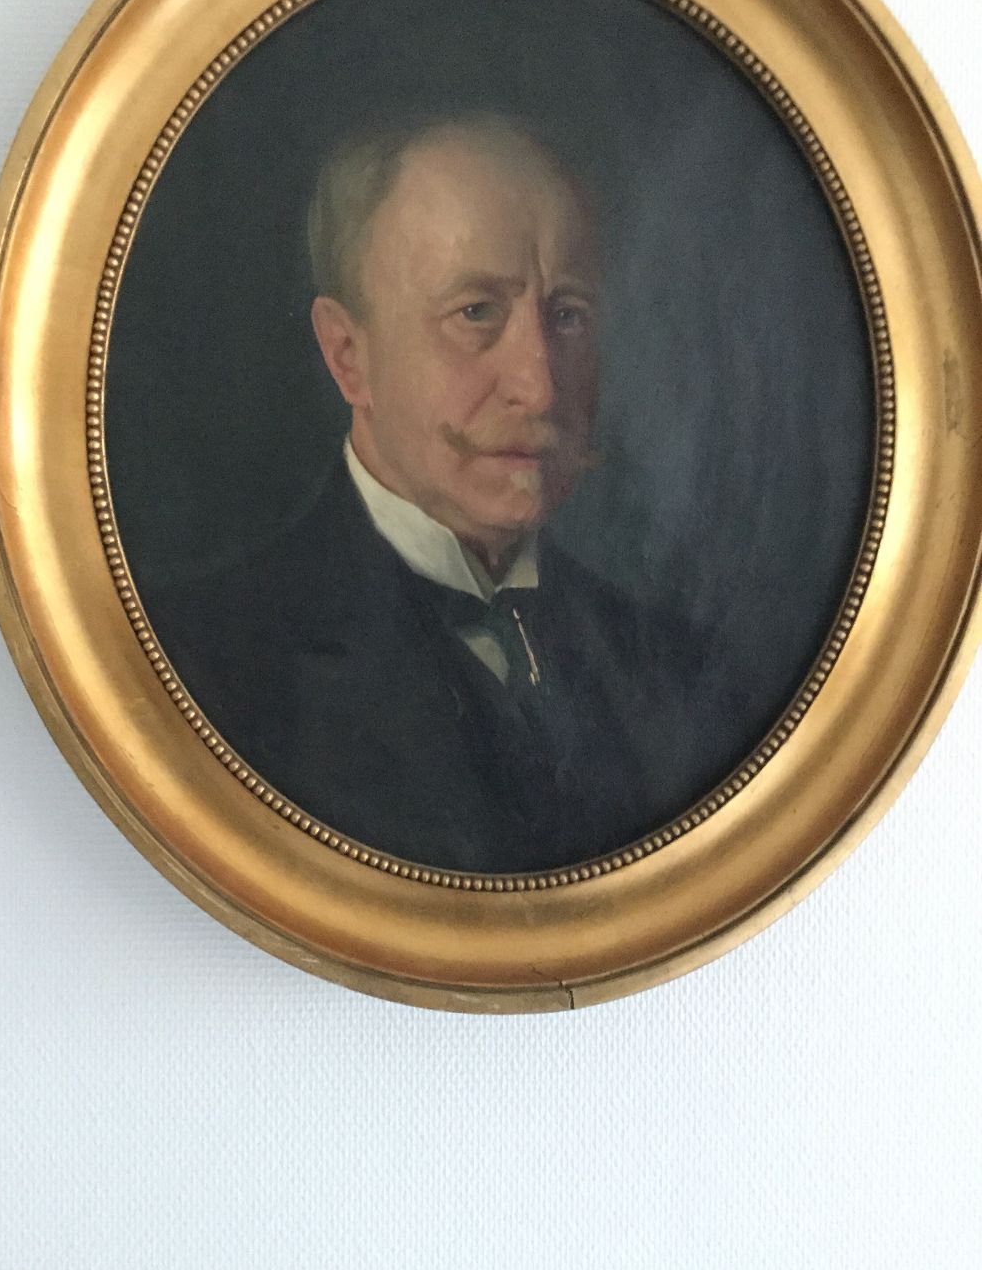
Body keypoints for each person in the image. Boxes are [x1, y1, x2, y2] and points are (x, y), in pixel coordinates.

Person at [152, 114, 721, 873]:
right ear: (349, 356)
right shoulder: (196, 667)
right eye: (476, 313)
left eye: (568, 315)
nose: (539, 386)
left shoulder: (679, 673)